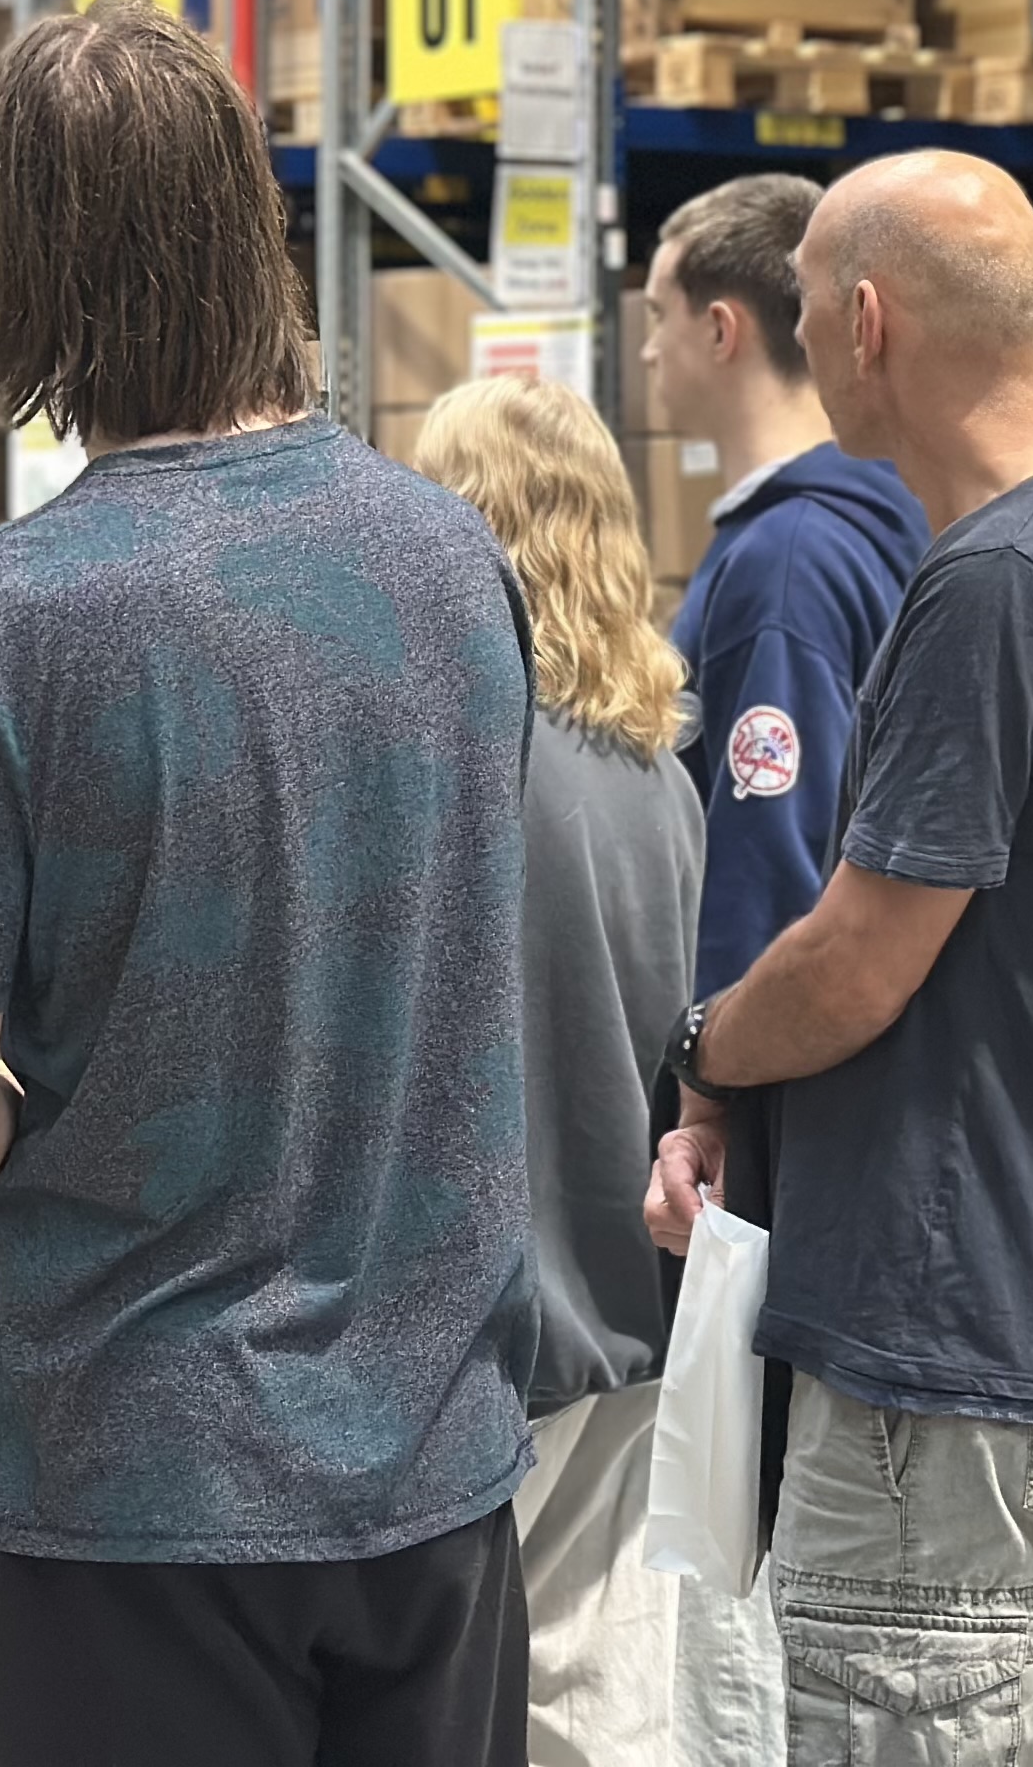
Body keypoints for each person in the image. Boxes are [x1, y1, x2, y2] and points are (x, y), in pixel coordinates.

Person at [0, 0, 540, 1767]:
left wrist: (36, 1174)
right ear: (250, 225)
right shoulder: (453, 562)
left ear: (26, 264)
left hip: (137, 1480)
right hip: (433, 1459)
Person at [645, 152, 1033, 1767]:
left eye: (809, 311)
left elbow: (854, 959)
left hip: (945, 1344)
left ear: (864, 321)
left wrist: (702, 1050)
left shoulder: (991, 585)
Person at [410, 375, 712, 1767]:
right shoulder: (659, 773)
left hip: (492, 1334)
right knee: (605, 1700)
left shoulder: (463, 762)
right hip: (635, 1312)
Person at [644, 175, 929, 992]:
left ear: (720, 329)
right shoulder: (879, 512)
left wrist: (716, 1051)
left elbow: (771, 872)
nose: (649, 349)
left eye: (659, 316)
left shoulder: (785, 562)